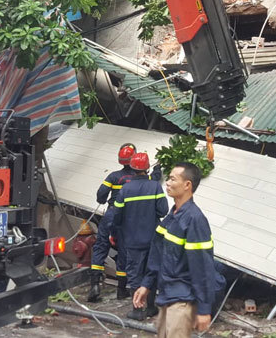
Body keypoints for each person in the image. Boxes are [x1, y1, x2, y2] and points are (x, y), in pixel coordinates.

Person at [134, 162, 218, 337]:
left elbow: (202, 266)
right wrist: (146, 285)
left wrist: (204, 308)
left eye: (173, 179)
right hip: (168, 295)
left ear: (187, 185)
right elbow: (157, 254)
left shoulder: (194, 220)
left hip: (183, 300)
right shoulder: (172, 217)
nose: (168, 183)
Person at [113, 152, 169, 320]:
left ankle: (137, 310)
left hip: (133, 241)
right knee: (151, 272)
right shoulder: (155, 187)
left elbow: (117, 217)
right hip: (153, 239)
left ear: (131, 168)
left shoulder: (125, 190)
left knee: (135, 275)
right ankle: (151, 307)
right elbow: (163, 211)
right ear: (147, 168)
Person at [87, 143, 137, 302]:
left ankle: (94, 285)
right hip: (127, 218)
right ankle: (122, 290)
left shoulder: (113, 177)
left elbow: (101, 194)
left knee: (101, 246)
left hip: (111, 214)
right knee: (123, 250)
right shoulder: (141, 178)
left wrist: (102, 199)